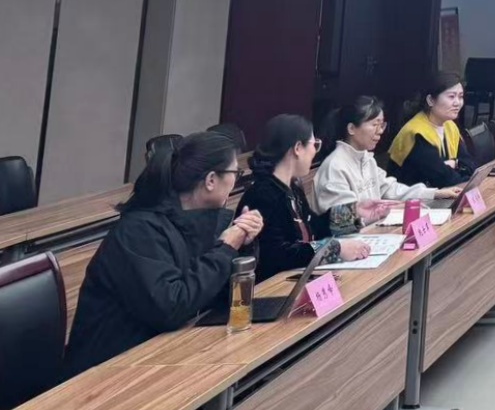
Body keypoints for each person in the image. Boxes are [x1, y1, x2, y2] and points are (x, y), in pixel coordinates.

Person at [64, 132, 264, 377]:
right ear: (211, 180)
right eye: (236, 174)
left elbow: (214, 296)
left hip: (156, 357)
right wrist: (226, 249)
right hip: (107, 371)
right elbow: (172, 307)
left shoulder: (201, 223)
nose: (236, 182)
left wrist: (242, 246)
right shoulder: (140, 231)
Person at [240, 114, 373, 281]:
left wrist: (354, 213)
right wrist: (335, 249)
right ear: (297, 148)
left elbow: (314, 227)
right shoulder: (262, 195)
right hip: (272, 286)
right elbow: (278, 255)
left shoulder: (292, 187)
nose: (315, 151)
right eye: (314, 144)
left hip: (294, 279)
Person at [314, 96, 459, 234]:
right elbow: (340, 224)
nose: (380, 131)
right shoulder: (335, 166)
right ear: (351, 128)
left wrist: (434, 193)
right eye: (374, 125)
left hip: (370, 234)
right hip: (349, 243)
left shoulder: (365, 158)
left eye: (382, 124)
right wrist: (378, 214)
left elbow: (390, 188)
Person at [387, 72, 476, 188]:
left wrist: (455, 163)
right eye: (451, 96)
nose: (457, 103)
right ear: (430, 100)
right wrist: (464, 173)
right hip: (414, 197)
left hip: (444, 191)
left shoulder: (450, 126)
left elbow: (470, 164)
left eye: (460, 96)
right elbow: (444, 179)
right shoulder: (416, 133)